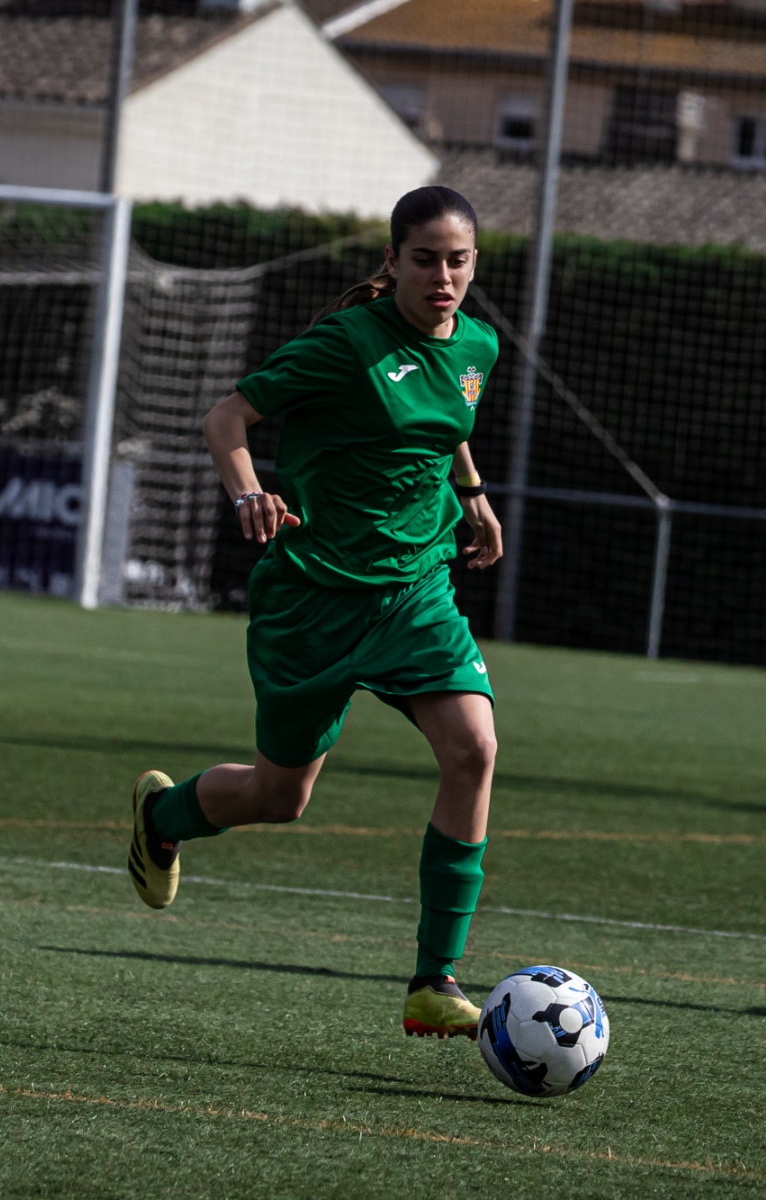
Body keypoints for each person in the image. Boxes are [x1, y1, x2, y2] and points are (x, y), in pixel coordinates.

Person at [128, 186, 505, 1040]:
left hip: (415, 591)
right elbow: (227, 417)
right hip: (313, 601)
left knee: (474, 750)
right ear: (393, 261)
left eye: (458, 261)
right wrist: (249, 494)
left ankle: (433, 981)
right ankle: (162, 816)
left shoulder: (478, 343)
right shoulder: (346, 342)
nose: (443, 277)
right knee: (279, 796)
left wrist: (473, 493)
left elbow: (448, 414)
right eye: (425, 260)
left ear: (475, 263)